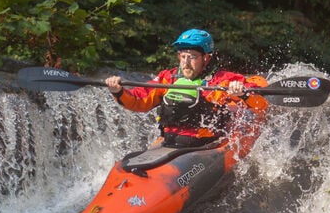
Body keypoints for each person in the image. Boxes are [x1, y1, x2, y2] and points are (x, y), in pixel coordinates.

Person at [105, 28, 268, 147]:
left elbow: (261, 103)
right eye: (183, 56)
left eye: (192, 57)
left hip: (206, 144)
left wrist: (243, 93)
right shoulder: (167, 78)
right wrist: (118, 92)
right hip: (170, 141)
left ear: (206, 58)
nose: (186, 62)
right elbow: (139, 100)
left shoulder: (221, 80)